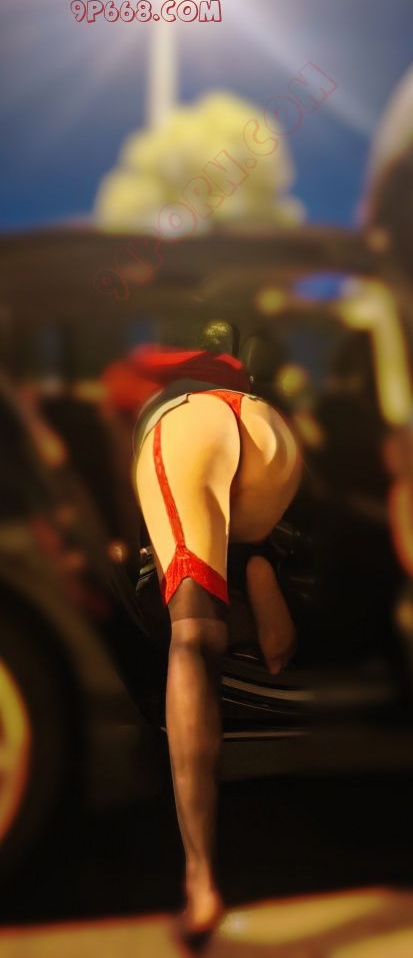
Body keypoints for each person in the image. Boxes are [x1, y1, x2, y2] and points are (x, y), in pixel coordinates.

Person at [103, 340, 302, 947]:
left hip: (187, 430)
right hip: (271, 437)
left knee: (192, 635)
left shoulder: (124, 379)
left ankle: (201, 880)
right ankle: (259, 565)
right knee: (231, 533)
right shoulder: (234, 375)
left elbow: (121, 508)